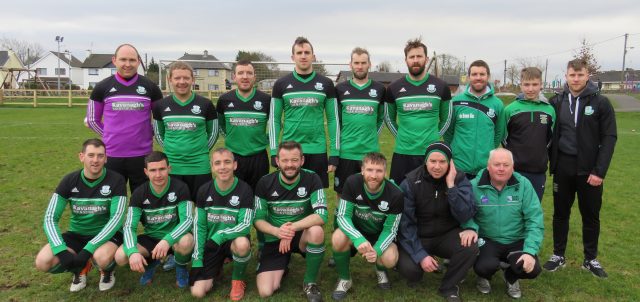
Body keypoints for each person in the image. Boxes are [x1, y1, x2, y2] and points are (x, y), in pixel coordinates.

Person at [543, 59, 617, 278]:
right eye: (572, 75)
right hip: (563, 166)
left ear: (587, 76)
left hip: (590, 169)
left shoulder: (601, 103)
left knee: (591, 215)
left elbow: (610, 137)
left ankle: (590, 259)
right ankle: (558, 255)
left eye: (580, 75)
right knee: (560, 214)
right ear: (566, 76)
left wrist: (599, 171)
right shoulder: (556, 101)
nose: (576, 79)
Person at [35, 138, 127, 292]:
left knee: (102, 258)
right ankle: (80, 269)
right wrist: (61, 250)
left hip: (108, 235)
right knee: (43, 262)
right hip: (77, 234)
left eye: (100, 156)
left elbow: (116, 218)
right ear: (81, 156)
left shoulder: (116, 180)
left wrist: (89, 249)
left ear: (106, 158)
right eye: (91, 155)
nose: (95, 160)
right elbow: (50, 218)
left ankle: (107, 270)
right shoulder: (69, 180)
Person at [397, 142, 478, 302]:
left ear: (450, 163)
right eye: (432, 161)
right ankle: (419, 261)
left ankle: (449, 287)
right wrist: (421, 255)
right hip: (419, 236)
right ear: (425, 161)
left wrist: (451, 186)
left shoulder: (460, 179)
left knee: (470, 247)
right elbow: (405, 225)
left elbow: (465, 214)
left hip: (446, 234)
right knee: (411, 272)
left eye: (442, 162)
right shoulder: (410, 182)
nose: (437, 166)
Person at [460, 148, 543, 299]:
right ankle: (485, 275)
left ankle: (510, 277)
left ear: (513, 167)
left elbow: (535, 219)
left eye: (506, 165)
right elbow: (464, 214)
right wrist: (471, 228)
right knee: (484, 267)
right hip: (488, 239)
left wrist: (530, 251)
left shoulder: (524, 185)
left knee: (533, 269)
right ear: (488, 166)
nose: (501, 168)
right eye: (497, 164)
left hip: (516, 239)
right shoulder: (473, 186)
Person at [254, 141, 328, 302]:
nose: (289, 165)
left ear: (302, 160)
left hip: (301, 235)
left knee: (317, 231)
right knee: (265, 291)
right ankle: (282, 264)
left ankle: (310, 282)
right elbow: (257, 220)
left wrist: (291, 228)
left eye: (294, 160)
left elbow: (322, 215)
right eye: (285, 160)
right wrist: (277, 232)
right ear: (277, 161)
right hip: (276, 236)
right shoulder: (265, 182)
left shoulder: (313, 178)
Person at [86, 44, 164, 193]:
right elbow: (91, 120)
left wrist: (148, 132)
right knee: (112, 199)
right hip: (112, 155)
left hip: (143, 156)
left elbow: (161, 119)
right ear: (114, 60)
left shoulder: (150, 87)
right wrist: (110, 135)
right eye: (123, 60)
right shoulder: (102, 87)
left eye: (132, 60)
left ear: (139, 61)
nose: (127, 64)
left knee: (142, 200)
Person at [114, 151, 194, 288]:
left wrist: (167, 240)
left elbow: (187, 221)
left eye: (162, 169)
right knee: (121, 256)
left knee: (187, 241)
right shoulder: (139, 193)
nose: (158, 175)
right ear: (146, 172)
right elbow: (129, 227)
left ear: (169, 168)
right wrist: (132, 252)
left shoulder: (180, 187)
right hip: (151, 238)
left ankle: (180, 267)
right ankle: (151, 262)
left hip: (175, 238)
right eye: (153, 170)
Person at [269, 36, 339, 188]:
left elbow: (333, 119)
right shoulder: (281, 84)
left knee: (316, 196)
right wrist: (274, 151)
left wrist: (334, 153)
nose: (303, 56)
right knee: (290, 197)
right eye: (299, 52)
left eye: (307, 52)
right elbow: (274, 119)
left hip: (317, 149)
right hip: (289, 151)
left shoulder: (326, 84)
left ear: (313, 56)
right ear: (293, 57)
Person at [331, 152, 403, 300]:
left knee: (390, 259)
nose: (374, 175)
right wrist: (358, 239)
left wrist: (376, 250)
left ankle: (380, 269)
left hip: (379, 235)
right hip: (356, 232)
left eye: (379, 171)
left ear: (385, 172)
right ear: (362, 170)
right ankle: (345, 279)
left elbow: (391, 230)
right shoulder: (352, 182)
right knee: (338, 237)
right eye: (370, 170)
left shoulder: (396, 193)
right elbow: (343, 216)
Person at [385, 37, 452, 185]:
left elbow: (446, 118)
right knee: (399, 195)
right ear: (406, 60)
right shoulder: (394, 88)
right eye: (412, 57)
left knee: (429, 197)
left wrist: (433, 137)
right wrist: (402, 136)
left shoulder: (441, 86)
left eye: (419, 56)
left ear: (426, 59)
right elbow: (388, 118)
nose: (415, 60)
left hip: (430, 154)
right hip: (403, 152)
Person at [190, 148, 254, 300]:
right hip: (212, 245)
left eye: (227, 162)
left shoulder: (245, 189)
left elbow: (245, 224)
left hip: (232, 241)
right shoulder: (204, 190)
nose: (223, 167)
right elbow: (200, 226)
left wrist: (220, 236)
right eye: (217, 163)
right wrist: (197, 259)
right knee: (197, 292)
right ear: (212, 167)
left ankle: (238, 280)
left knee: (242, 244)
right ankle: (216, 267)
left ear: (235, 165)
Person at [152, 61, 218, 200]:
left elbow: (213, 132)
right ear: (170, 79)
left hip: (199, 166)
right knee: (174, 208)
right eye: (177, 78)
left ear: (192, 80)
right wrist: (171, 149)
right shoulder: (160, 105)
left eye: (186, 78)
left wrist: (201, 150)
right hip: (172, 166)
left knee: (202, 207)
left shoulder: (205, 104)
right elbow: (158, 133)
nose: (182, 82)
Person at [333, 47, 386, 196]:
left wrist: (371, 136)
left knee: (371, 193)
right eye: (356, 63)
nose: (360, 66)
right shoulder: (340, 89)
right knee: (342, 194)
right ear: (350, 65)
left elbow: (381, 118)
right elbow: (337, 120)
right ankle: (340, 219)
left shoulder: (379, 89)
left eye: (363, 62)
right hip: (346, 153)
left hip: (370, 153)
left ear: (369, 64)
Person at [499, 67, 556, 201]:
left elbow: (550, 139)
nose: (531, 89)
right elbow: (503, 137)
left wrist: (539, 154)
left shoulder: (549, 110)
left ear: (541, 85)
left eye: (535, 84)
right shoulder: (510, 110)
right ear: (521, 85)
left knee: (533, 210)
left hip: (538, 170)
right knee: (512, 211)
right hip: (514, 170)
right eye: (527, 84)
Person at [443, 60, 504, 180]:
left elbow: (498, 134)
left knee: (483, 200)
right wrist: (455, 152)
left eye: (482, 74)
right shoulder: (456, 102)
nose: (478, 78)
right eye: (474, 74)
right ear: (469, 77)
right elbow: (448, 132)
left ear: (488, 76)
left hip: (486, 168)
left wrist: (488, 149)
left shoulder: (498, 104)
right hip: (459, 167)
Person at [217, 60, 270, 190]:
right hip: (233, 156)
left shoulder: (266, 100)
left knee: (258, 197)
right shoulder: (224, 100)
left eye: (249, 73)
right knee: (235, 196)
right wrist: (230, 137)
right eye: (240, 73)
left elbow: (276, 125)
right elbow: (220, 125)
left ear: (254, 77)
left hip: (259, 157)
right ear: (234, 77)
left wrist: (265, 139)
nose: (245, 77)